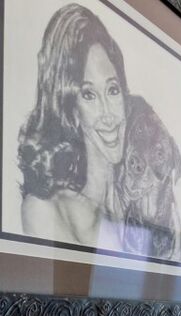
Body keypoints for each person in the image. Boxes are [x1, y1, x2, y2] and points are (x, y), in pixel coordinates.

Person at [17, 4, 129, 250]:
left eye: (112, 90)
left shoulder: (132, 214)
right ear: (71, 109)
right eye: (88, 95)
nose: (108, 114)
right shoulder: (43, 210)